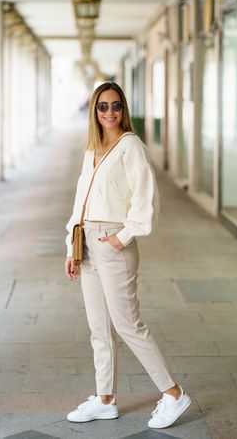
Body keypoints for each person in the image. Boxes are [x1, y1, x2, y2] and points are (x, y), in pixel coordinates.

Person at [64, 81, 191, 429]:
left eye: (116, 105)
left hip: (112, 241)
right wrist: (71, 245)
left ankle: (174, 394)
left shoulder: (130, 146)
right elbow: (80, 200)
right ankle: (105, 399)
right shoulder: (92, 148)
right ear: (94, 110)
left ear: (124, 108)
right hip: (87, 242)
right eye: (102, 106)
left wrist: (123, 237)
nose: (109, 112)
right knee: (99, 327)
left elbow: (146, 197)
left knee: (127, 324)